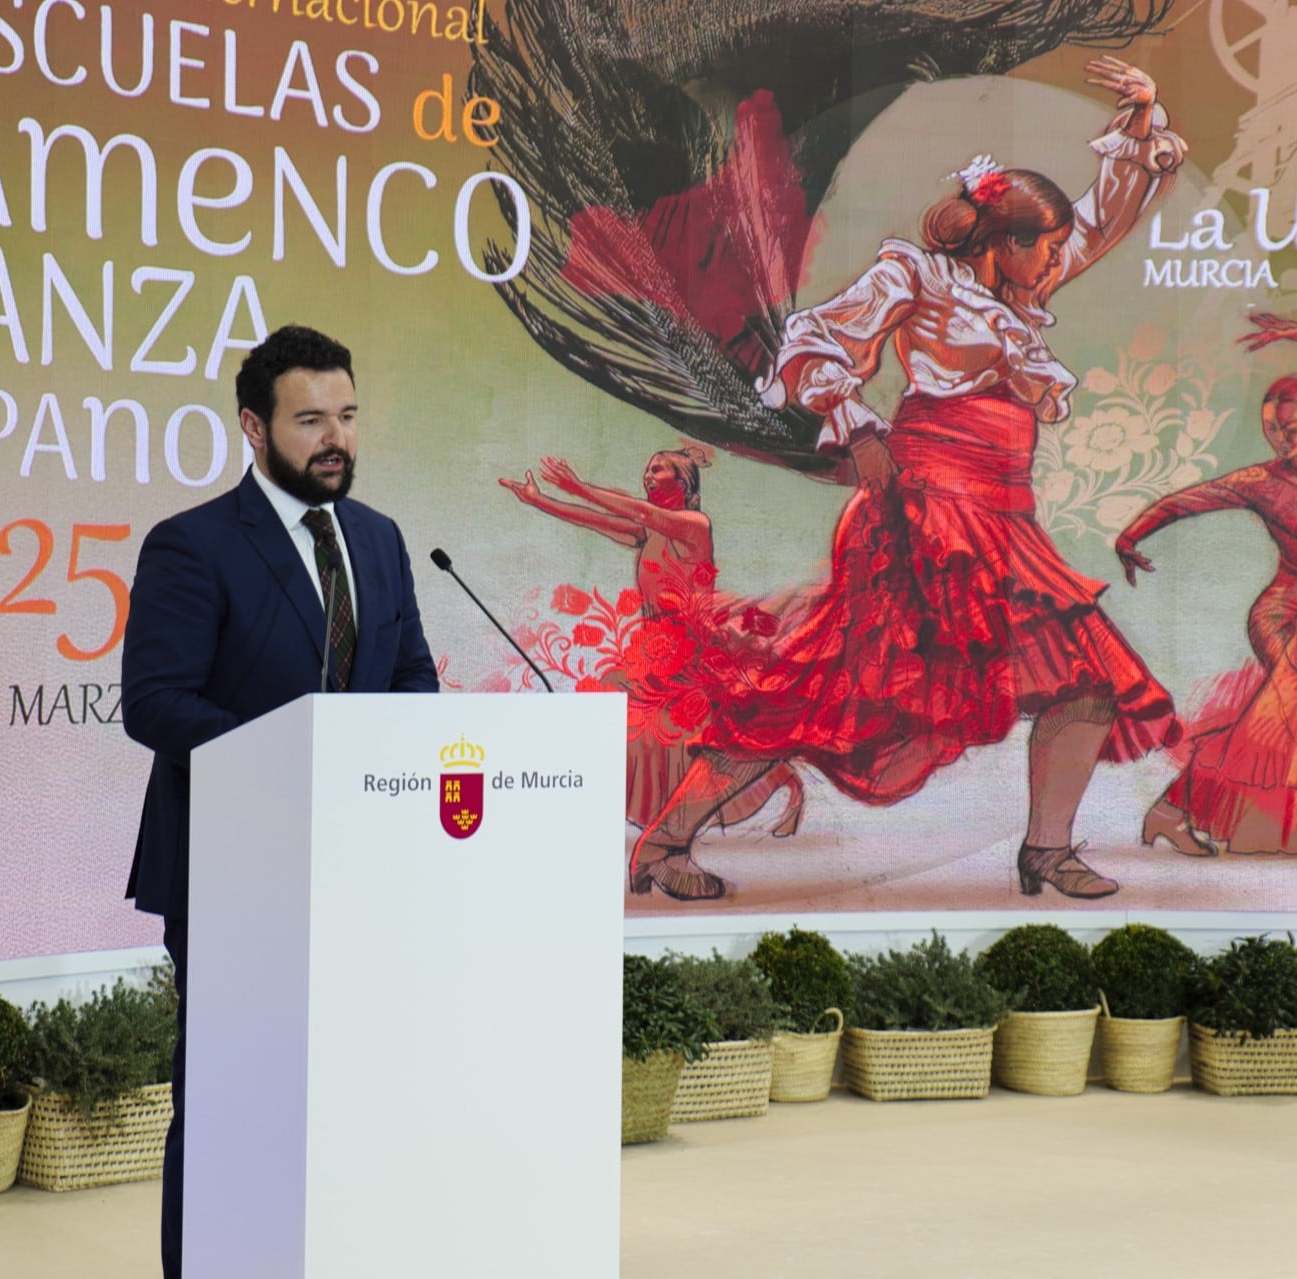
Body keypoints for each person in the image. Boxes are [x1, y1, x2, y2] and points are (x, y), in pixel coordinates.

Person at [626, 56, 1185, 903]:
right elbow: (813, 343)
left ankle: (1045, 851)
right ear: (1006, 241)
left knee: (1089, 683)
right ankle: (665, 842)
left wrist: (1140, 123)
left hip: (1005, 522)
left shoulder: (1024, 289)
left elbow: (1101, 222)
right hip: (924, 516)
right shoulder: (916, 277)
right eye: (1047, 246)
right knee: (818, 696)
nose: (1062, 259)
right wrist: (855, 424)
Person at [120, 325, 438, 1278]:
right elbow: (156, 703)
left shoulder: (379, 540)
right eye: (310, 420)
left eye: (345, 415)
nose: (334, 437)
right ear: (254, 428)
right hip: (233, 873)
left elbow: (412, 678)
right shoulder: (192, 545)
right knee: (227, 1102)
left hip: (357, 873)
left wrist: (386, 764)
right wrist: (298, 759)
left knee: (346, 1096)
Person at [1116, 314, 1297, 865]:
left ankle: (1171, 813)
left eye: (1290, 425)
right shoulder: (1262, 483)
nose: (1281, 436)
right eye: (1272, 429)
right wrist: (1131, 534)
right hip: (1283, 615)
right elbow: (1189, 499)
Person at [499, 447, 805, 833]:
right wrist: (540, 500)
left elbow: (639, 512)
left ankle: (779, 782)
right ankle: (665, 817)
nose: (647, 475)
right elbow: (597, 520)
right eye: (647, 469)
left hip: (690, 655)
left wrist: (579, 485)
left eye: (657, 470)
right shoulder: (651, 531)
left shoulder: (695, 525)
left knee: (704, 739)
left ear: (683, 482)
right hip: (654, 650)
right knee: (659, 735)